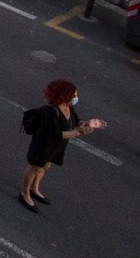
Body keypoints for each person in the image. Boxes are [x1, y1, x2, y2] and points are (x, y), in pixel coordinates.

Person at [20, 78, 103, 210]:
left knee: (46, 166)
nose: (75, 97)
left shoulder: (68, 106)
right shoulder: (50, 111)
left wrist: (84, 123)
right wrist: (78, 132)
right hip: (44, 145)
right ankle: (25, 193)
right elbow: (56, 134)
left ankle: (34, 188)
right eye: (73, 95)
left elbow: (75, 119)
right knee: (36, 167)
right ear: (64, 95)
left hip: (56, 146)